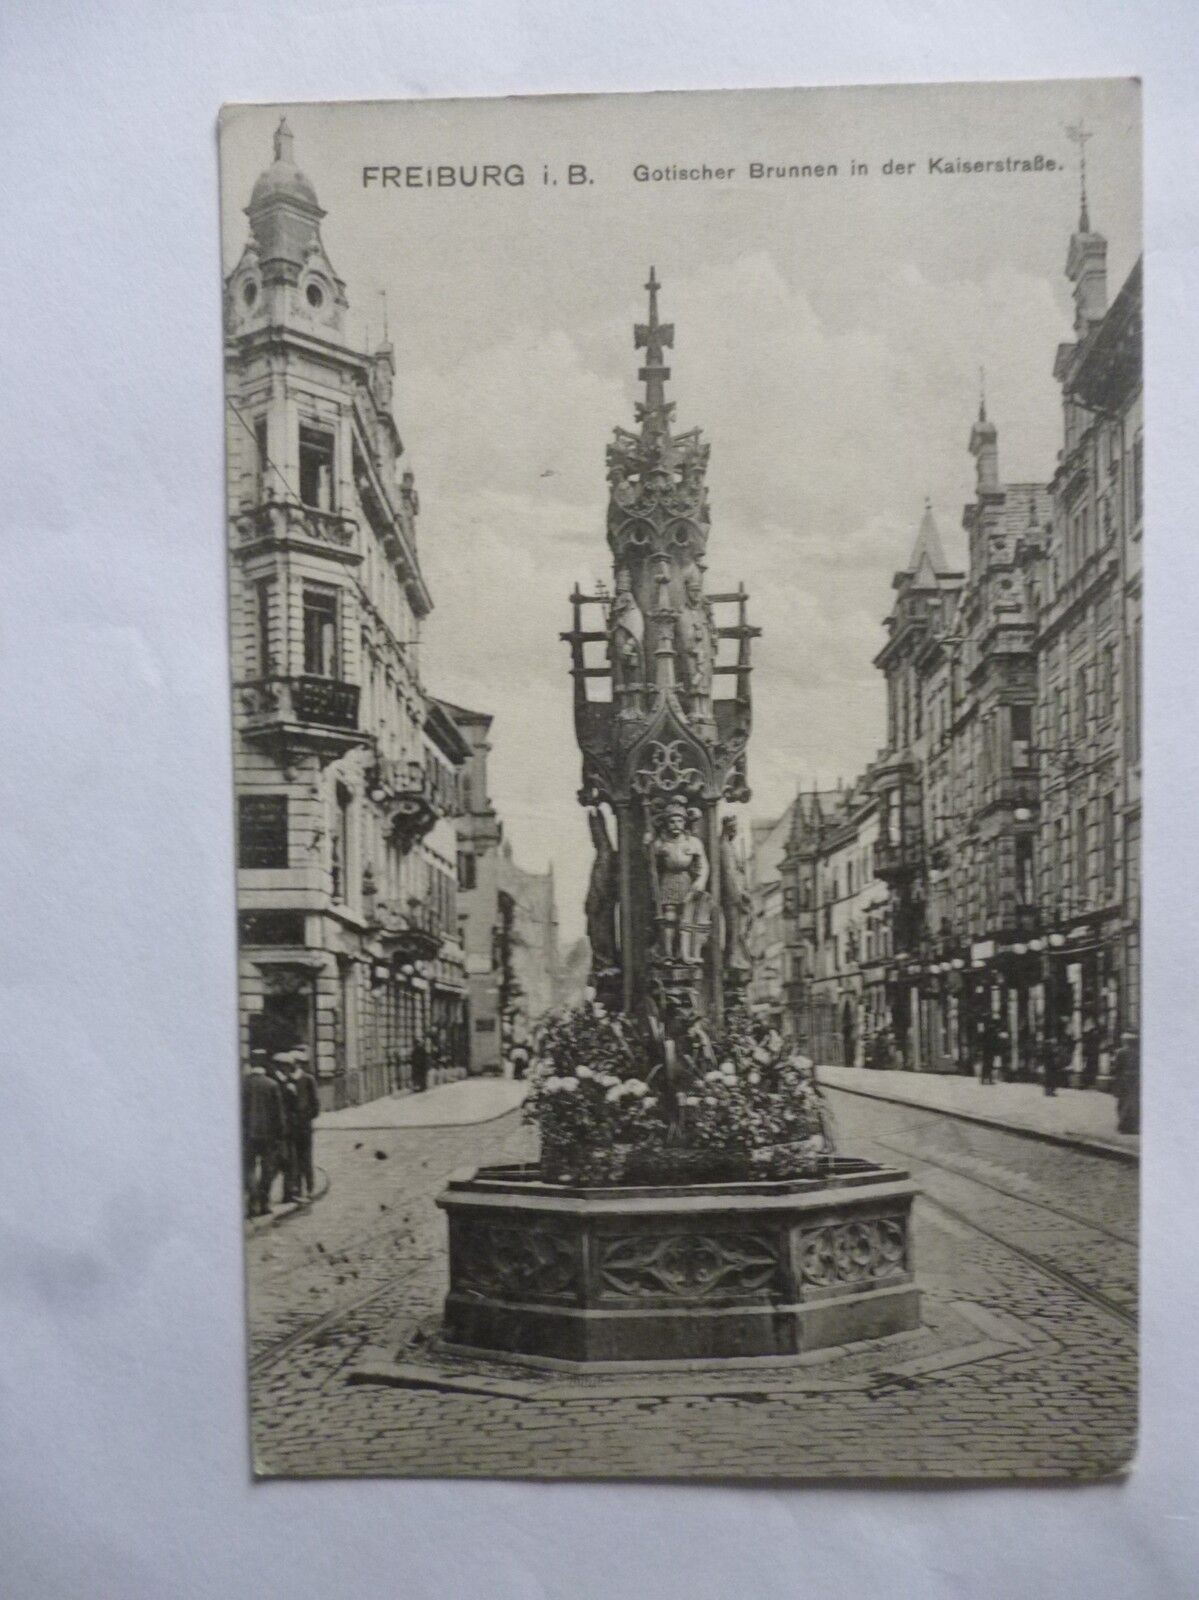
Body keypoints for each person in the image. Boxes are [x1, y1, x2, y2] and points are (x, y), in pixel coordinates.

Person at [242, 1052, 285, 1217]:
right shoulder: (272, 1085)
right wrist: (280, 1134)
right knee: (268, 1169)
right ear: (264, 1064)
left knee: (249, 1169)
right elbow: (279, 1115)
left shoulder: (243, 1085)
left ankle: (252, 1203)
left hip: (248, 1136)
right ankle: (264, 1202)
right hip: (268, 1136)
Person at [286, 1048, 321, 1200]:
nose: (290, 1065)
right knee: (293, 1159)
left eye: (292, 1063)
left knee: (306, 1158)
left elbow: (315, 1105)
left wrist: (306, 1117)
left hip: (304, 1127)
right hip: (290, 1127)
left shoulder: (308, 1080)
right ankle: (297, 1189)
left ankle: (310, 1187)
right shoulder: (288, 1080)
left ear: (298, 1063)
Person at [1111, 1029, 1140, 1134]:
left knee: (1123, 1103)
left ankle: (1124, 1126)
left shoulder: (1120, 1052)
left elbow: (1117, 1068)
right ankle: (1133, 1126)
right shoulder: (1139, 1052)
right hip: (1136, 1080)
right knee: (1134, 1103)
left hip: (1124, 1080)